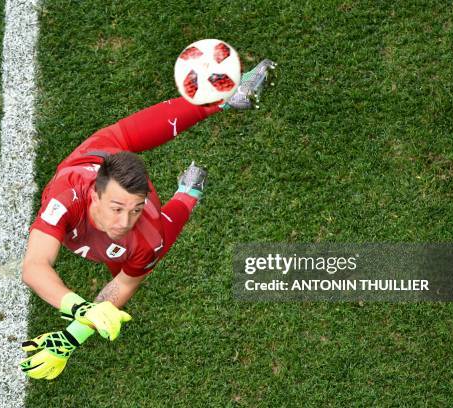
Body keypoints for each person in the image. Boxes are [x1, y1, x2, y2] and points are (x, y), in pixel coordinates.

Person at [19, 59, 277, 380]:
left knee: (145, 251)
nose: (125, 221)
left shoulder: (145, 231)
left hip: (142, 233)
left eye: (135, 209)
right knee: (123, 135)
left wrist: (70, 338)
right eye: (116, 208)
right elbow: (34, 266)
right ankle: (222, 98)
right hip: (98, 151)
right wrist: (80, 310)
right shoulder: (65, 194)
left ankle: (188, 193)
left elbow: (124, 284)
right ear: (94, 196)